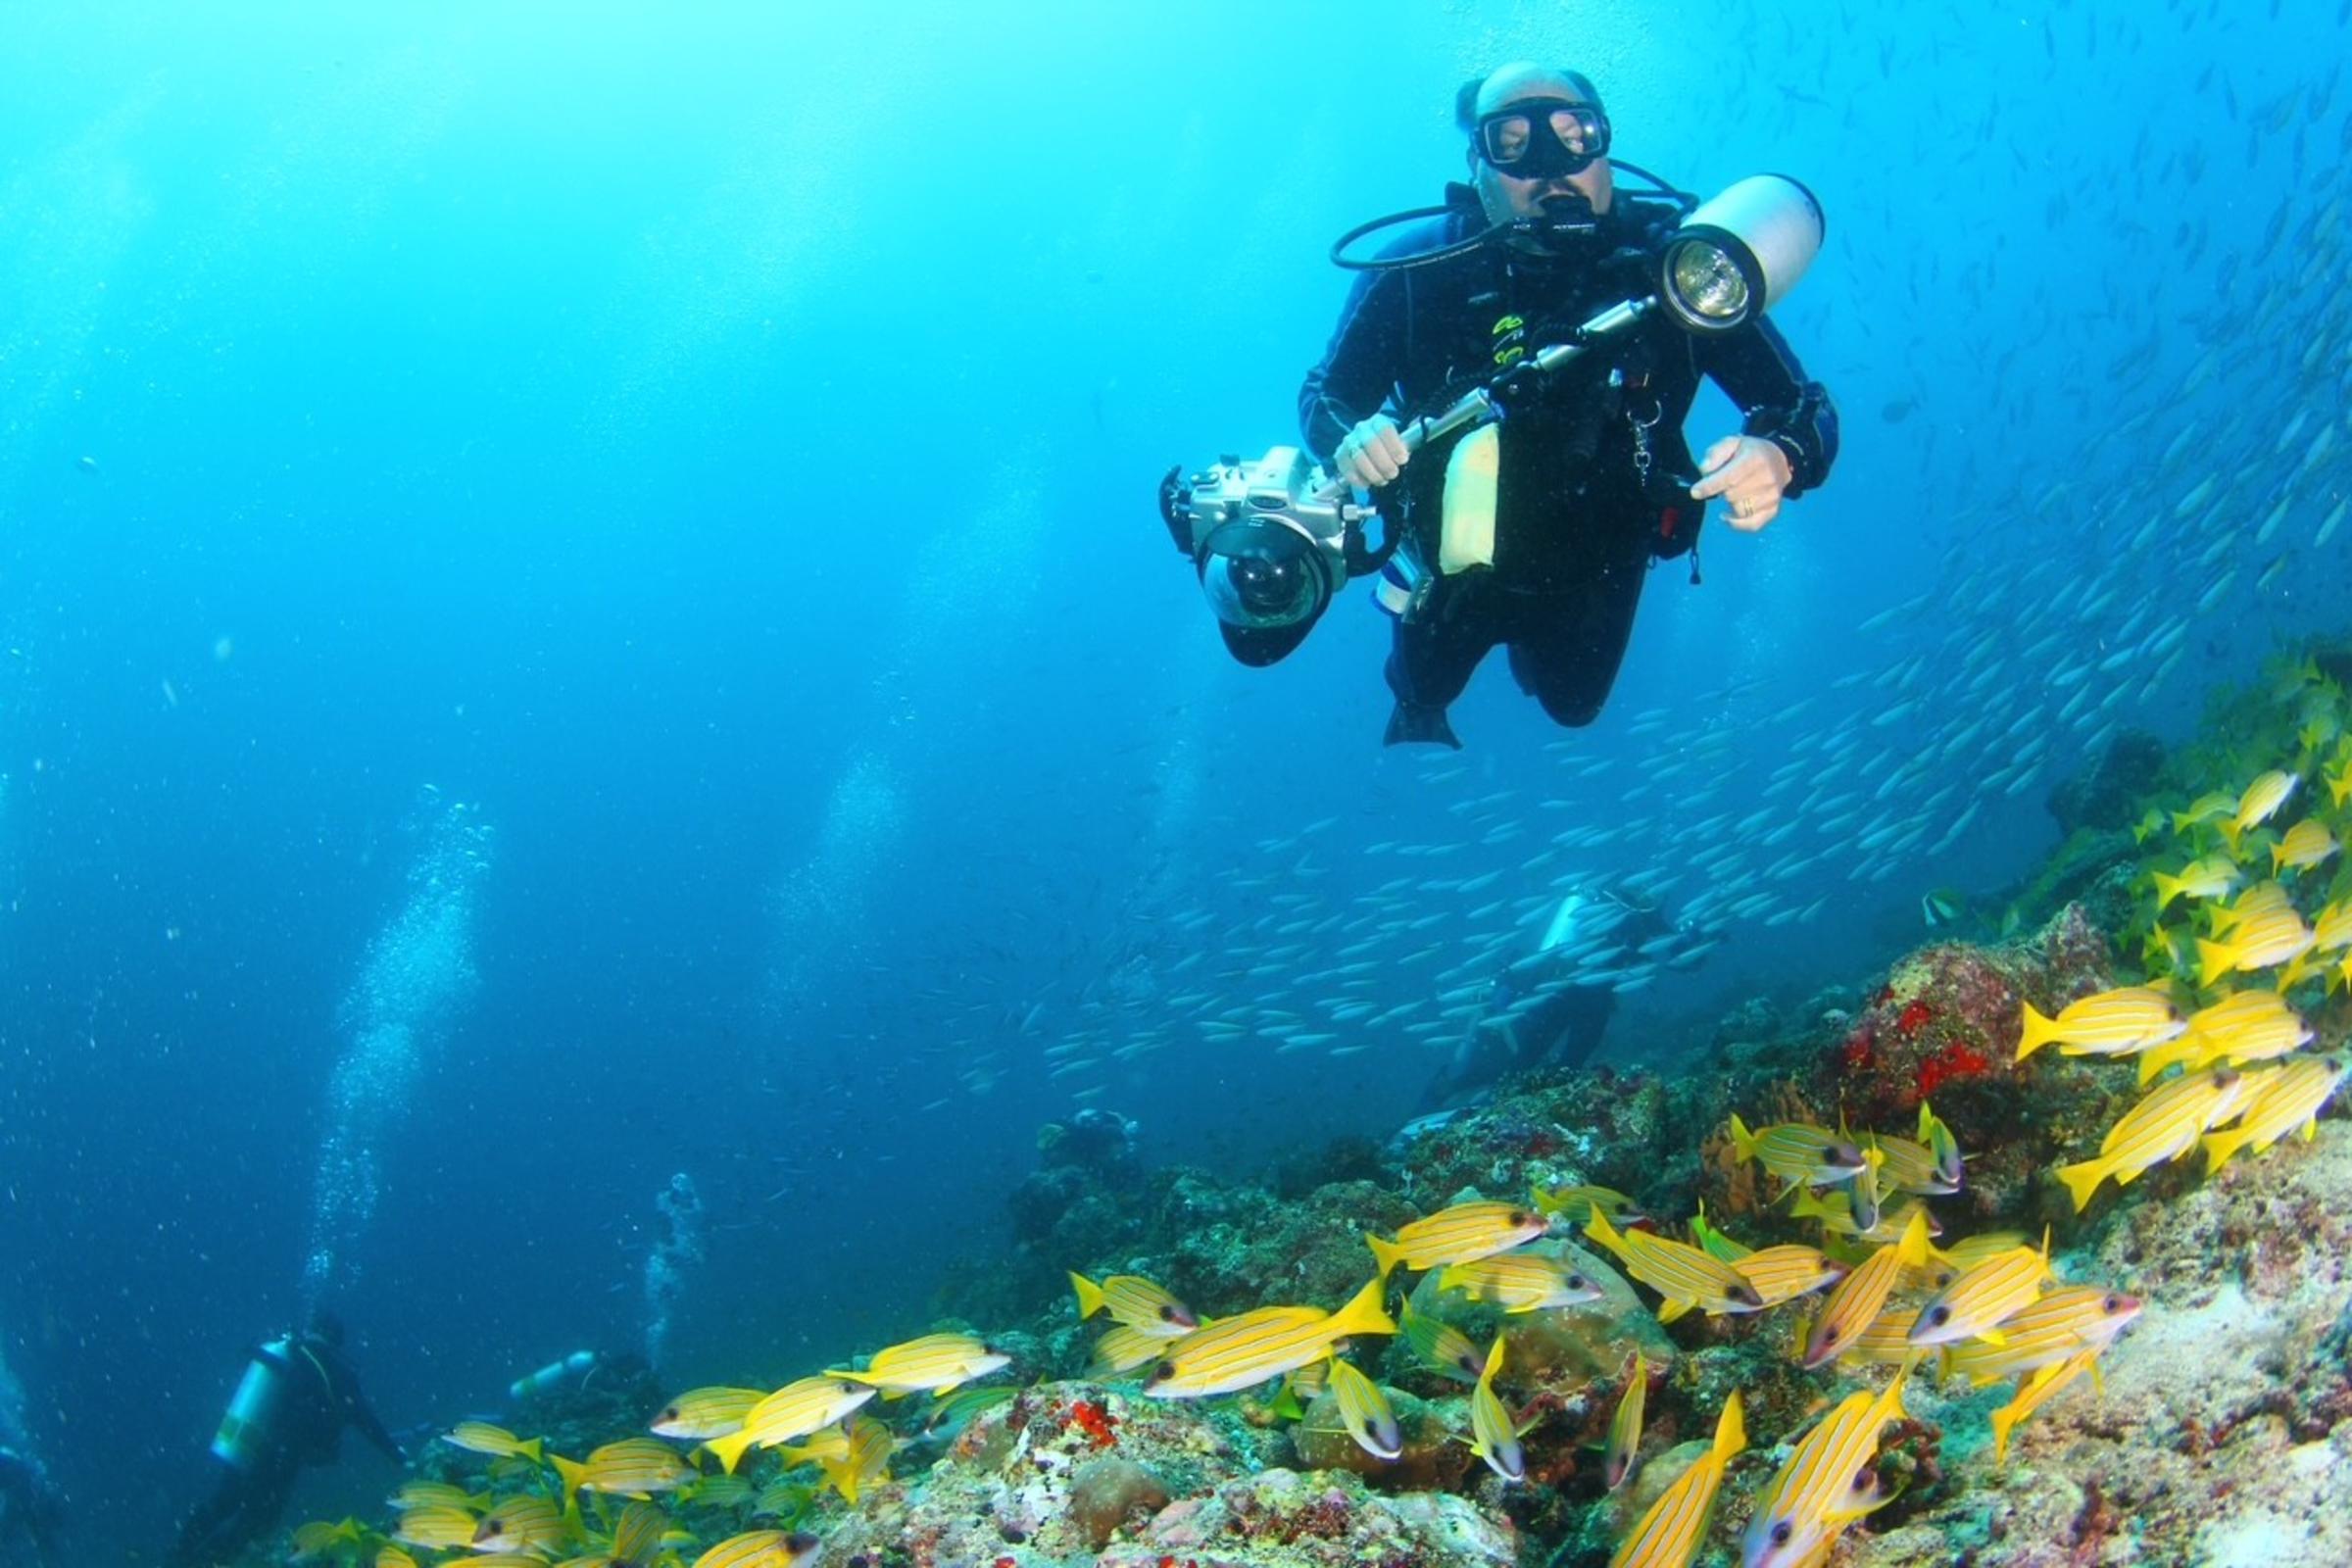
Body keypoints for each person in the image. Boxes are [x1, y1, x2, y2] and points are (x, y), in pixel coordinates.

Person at [1299, 62, 1838, 747]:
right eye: (1514, 142)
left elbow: (1803, 406)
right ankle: (1419, 668)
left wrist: (1779, 454)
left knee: (1573, 706)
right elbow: (1327, 397)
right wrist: (1350, 437)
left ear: (1605, 147)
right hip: (1452, 554)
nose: (1552, 166)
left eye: (1575, 133)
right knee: (1421, 694)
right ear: (1478, 164)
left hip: (1602, 552)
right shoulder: (1419, 273)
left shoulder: (1682, 271)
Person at [1419, 882, 1689, 1108]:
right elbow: (1667, 958)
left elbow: (1669, 955)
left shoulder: (1623, 914)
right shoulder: (1631, 919)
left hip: (1558, 994)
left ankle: (1452, 1093)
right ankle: (1513, 1107)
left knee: (1523, 1062)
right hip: (1588, 1001)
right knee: (1561, 1064)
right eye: (1656, 902)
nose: (1659, 908)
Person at [171, 1311, 405, 1568]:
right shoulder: (338, 1373)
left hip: (248, 1442)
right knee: (255, 1523)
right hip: (281, 1460)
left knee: (222, 1504)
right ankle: (207, 1562)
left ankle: (177, 1557)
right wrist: (397, 1455)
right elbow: (366, 1421)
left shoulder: (287, 1353)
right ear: (337, 1341)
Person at [0, 1443, 62, 1567]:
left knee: (35, 1533)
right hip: (22, 1497)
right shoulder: (8, 1457)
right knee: (36, 1533)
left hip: (24, 1497)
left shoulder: (7, 1459)